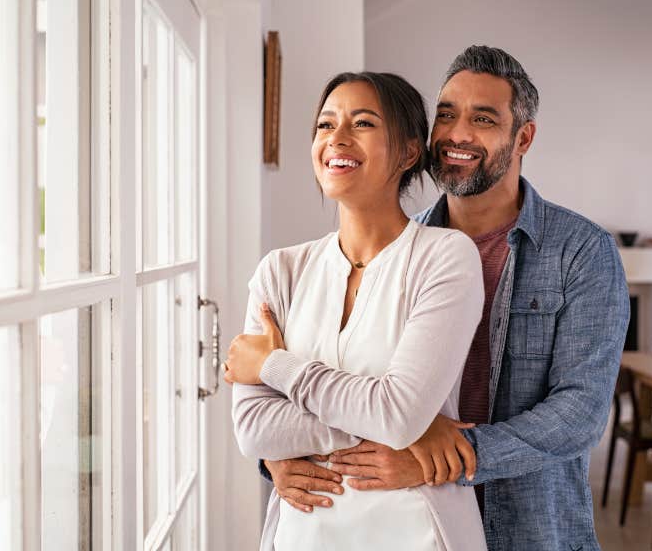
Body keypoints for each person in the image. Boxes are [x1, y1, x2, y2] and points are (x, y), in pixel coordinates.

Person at [263, 46, 630, 551]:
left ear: (523, 137)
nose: (458, 135)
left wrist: (452, 454)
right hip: (407, 522)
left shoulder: (581, 252)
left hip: (530, 528)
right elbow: (343, 381)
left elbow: (580, 412)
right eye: (446, 115)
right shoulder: (395, 251)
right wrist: (277, 455)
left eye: (483, 119)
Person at [224, 72, 487, 550]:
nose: (336, 139)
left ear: (409, 152)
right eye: (325, 125)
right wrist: (397, 421)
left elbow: (399, 413)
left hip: (418, 532)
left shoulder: (445, 257)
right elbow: (254, 429)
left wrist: (271, 366)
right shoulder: (279, 271)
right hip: (301, 535)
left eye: (362, 123)